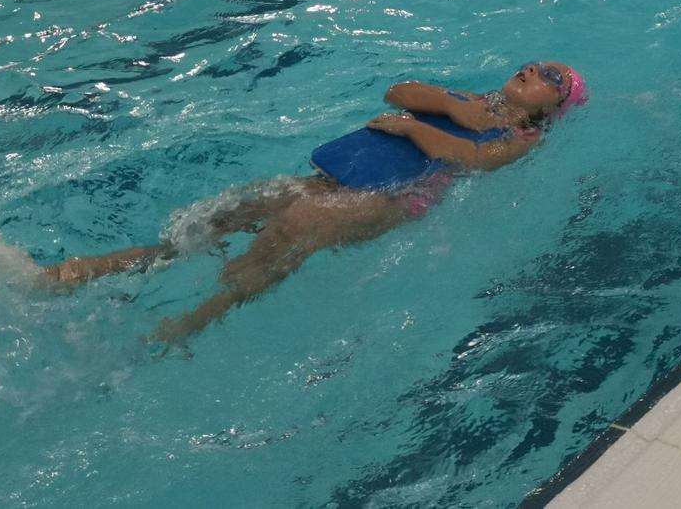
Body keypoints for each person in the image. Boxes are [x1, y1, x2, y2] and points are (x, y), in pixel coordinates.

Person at [35, 61, 586, 341]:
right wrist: (452, 105)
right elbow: (398, 93)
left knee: (278, 241)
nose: (535, 69)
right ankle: (84, 273)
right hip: (338, 181)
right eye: (536, 63)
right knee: (219, 220)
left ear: (552, 108)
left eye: (551, 76)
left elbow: (466, 158)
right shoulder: (472, 98)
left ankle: (183, 325)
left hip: (390, 201)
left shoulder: (521, 139)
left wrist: (424, 132)